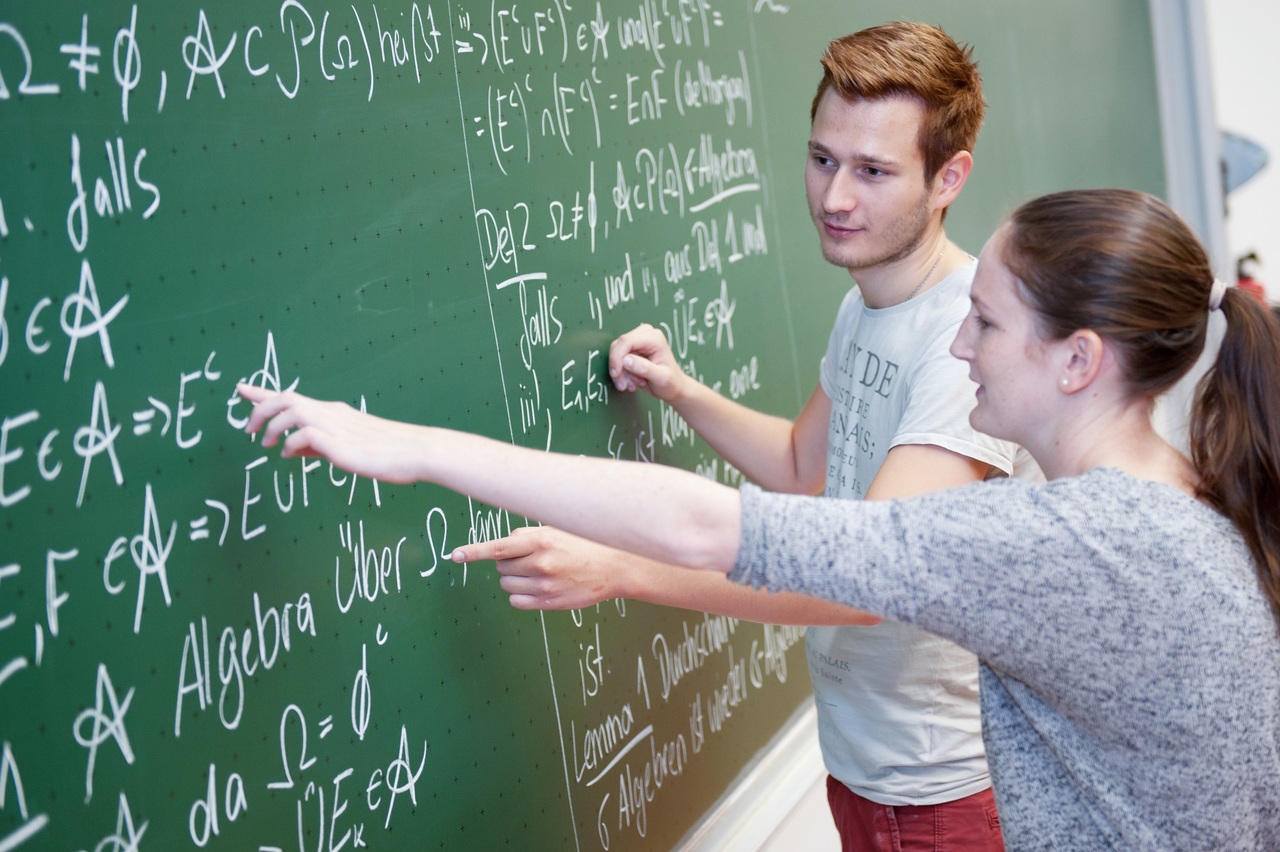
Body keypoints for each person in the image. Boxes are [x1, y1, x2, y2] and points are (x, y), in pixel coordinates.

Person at [239, 187, 1280, 849]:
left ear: (1076, 361)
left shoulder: (1071, 543)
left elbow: (717, 529)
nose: (958, 346)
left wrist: (415, 449)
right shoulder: (1174, 509)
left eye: (984, 321)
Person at [457, 22, 1021, 850]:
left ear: (949, 178)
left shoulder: (967, 338)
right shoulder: (865, 303)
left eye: (873, 171)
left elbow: (862, 583)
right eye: (823, 158)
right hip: (863, 766)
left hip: (943, 791)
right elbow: (801, 467)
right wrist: (680, 390)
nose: (834, 198)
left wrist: (621, 570)